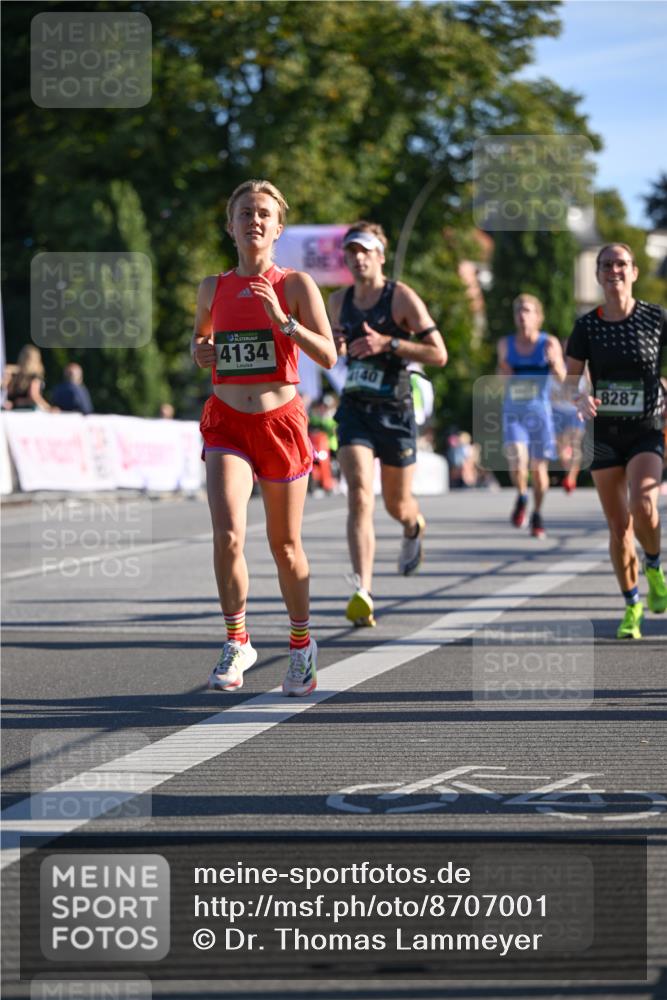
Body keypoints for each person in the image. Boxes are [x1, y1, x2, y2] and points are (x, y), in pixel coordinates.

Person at [191, 179, 336, 695]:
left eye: (264, 214)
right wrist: (200, 352)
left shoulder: (295, 284)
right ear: (230, 225)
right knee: (228, 533)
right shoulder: (212, 287)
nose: (254, 221)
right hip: (228, 422)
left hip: (280, 424)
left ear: (278, 227)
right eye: (245, 213)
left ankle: (301, 646)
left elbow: (328, 354)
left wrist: (284, 322)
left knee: (285, 544)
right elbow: (202, 339)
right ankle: (237, 640)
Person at [328, 222, 447, 627]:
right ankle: (363, 590)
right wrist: (336, 346)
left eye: (365, 250)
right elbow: (328, 354)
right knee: (359, 493)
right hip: (355, 408)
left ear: (380, 254)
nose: (357, 258)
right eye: (351, 251)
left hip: (395, 411)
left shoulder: (400, 297)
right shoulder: (337, 301)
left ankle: (413, 526)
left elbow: (439, 353)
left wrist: (389, 343)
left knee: (397, 504)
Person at [566, 242, 667, 639]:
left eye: (621, 263)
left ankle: (655, 565)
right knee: (618, 526)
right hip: (605, 434)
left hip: (645, 426)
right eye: (606, 264)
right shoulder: (586, 326)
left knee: (643, 502)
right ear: (597, 275)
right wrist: (578, 397)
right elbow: (567, 382)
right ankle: (632, 605)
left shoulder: (656, 318)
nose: (614, 270)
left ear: (634, 272)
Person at [497, 294, 566, 538]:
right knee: (517, 460)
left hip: (540, 415)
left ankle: (537, 513)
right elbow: (501, 381)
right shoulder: (506, 344)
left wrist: (555, 363)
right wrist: (504, 370)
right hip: (514, 414)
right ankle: (523, 496)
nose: (522, 315)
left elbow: (563, 380)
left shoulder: (549, 343)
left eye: (527, 311)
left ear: (538, 316)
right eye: (518, 311)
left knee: (538, 470)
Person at [3, 344, 53, 411]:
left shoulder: (15, 375)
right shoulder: (34, 377)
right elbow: (34, 396)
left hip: (13, 410)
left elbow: (8, 392)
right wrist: (48, 408)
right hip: (27, 412)